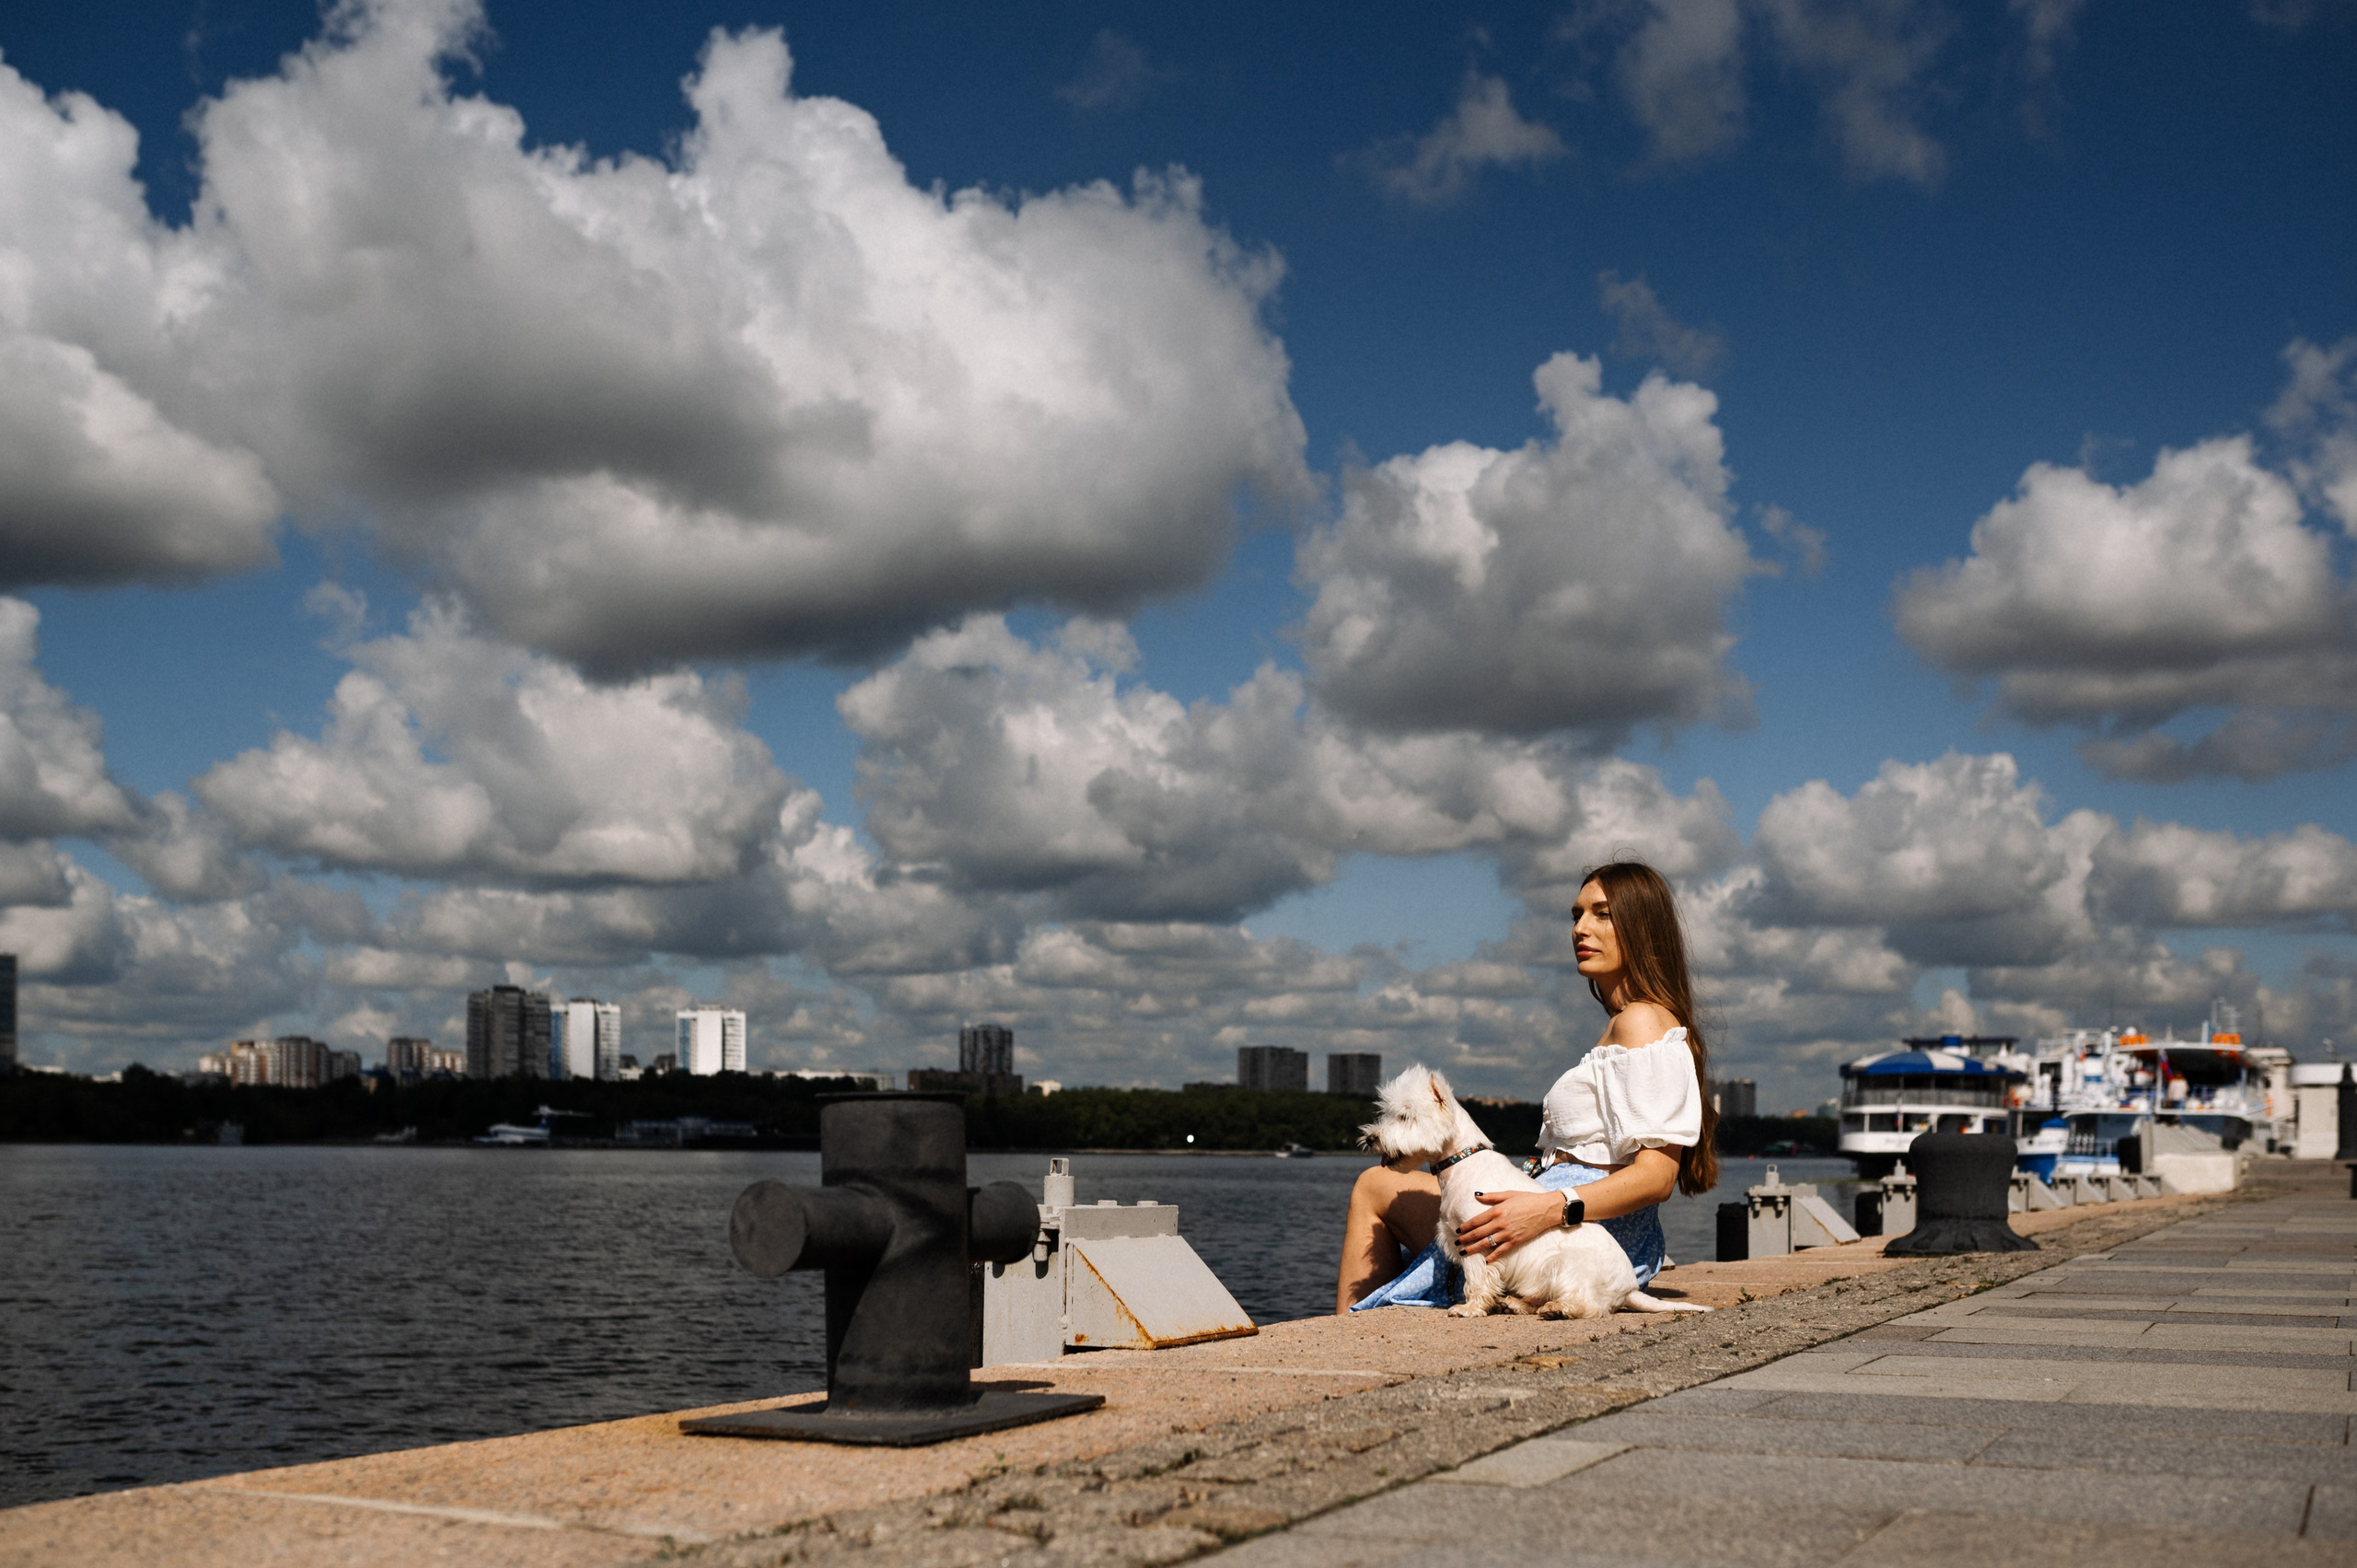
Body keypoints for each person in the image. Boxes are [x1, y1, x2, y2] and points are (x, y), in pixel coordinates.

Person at [1335, 861, 1720, 1313]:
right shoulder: (1627, 1023)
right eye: (1576, 915)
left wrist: (1544, 1211)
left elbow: (1657, 1178)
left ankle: (1341, 1330)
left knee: (1374, 1187)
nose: (1580, 929)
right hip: (1552, 1224)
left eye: (1602, 914)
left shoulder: (1642, 1021)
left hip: (1574, 1242)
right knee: (1382, 1184)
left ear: (1644, 929)